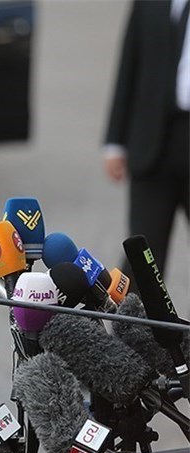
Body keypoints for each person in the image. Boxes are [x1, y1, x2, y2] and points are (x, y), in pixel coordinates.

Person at [103, 0, 189, 282]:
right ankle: (137, 312)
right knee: (143, 256)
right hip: (152, 143)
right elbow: (129, 64)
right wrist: (115, 142)